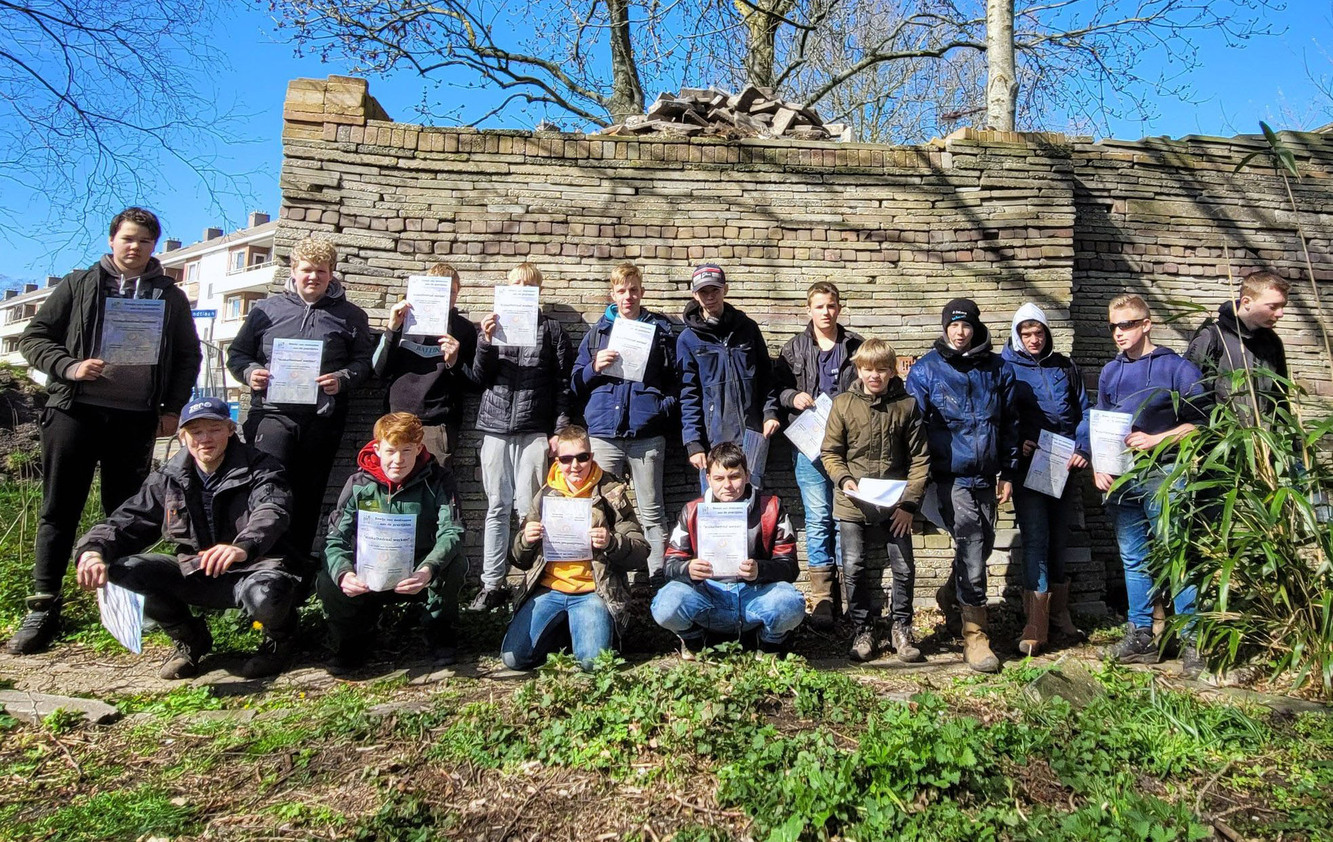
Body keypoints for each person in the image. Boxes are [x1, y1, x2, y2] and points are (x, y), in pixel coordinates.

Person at [9, 207, 202, 655]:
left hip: (136, 420)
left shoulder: (169, 297)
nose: (135, 248)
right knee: (60, 510)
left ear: (155, 247)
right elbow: (34, 338)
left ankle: (123, 601)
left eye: (145, 242)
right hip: (75, 413)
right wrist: (70, 367)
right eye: (128, 239)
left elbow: (188, 357)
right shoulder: (79, 284)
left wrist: (172, 408)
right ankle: (43, 605)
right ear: (113, 239)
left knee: (125, 513)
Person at [72, 396, 298, 679]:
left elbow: (273, 511)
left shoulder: (263, 467)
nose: (205, 439)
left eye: (214, 429)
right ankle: (191, 639)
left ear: (230, 429)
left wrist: (243, 546)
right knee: (124, 573)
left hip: (252, 570)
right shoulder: (168, 477)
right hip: (195, 570)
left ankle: (280, 638)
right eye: (196, 431)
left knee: (269, 595)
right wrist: (93, 550)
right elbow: (128, 520)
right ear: (182, 437)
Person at [226, 237, 375, 577]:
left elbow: (365, 362)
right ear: (293, 271)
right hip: (271, 415)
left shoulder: (351, 316)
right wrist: (251, 373)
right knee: (267, 486)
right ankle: (258, 562)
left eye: (321, 271)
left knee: (309, 492)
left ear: (331, 274)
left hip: (322, 418)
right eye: (306, 270)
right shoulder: (267, 310)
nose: (313, 277)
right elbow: (237, 355)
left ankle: (294, 567)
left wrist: (343, 378)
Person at [1094, 294, 1210, 673]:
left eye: (1126, 324)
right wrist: (1099, 463)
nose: (1118, 333)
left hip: (1167, 476)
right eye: (1113, 326)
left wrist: (1157, 440)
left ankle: (1193, 640)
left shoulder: (1176, 369)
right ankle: (1141, 636)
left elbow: (1204, 423)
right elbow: (1102, 422)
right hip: (1123, 479)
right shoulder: (1111, 372)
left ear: (1147, 324)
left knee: (1177, 554)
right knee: (1133, 558)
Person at [904, 298, 1018, 673]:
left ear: (975, 328)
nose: (959, 332)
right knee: (970, 540)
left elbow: (1010, 424)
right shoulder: (926, 370)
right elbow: (912, 427)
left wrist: (1009, 471)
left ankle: (950, 593)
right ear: (944, 328)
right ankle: (975, 637)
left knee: (983, 543)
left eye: (966, 325)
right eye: (953, 326)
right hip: (948, 475)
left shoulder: (997, 369)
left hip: (986, 474)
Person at [318, 412, 466, 673]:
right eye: (390, 451)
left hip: (416, 572)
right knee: (328, 579)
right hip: (368, 573)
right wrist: (344, 573)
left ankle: (440, 631)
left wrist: (428, 568)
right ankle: (350, 641)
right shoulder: (358, 483)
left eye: (407, 451)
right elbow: (335, 537)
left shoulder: (439, 480)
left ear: (419, 448)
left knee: (453, 565)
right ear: (377, 448)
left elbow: (451, 531)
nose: (398, 460)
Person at [469, 262, 576, 611]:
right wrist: (485, 342)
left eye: (529, 286)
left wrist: (559, 430)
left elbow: (563, 385)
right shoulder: (492, 328)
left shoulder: (553, 331)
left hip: (534, 429)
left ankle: (529, 584)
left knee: (530, 511)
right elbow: (477, 379)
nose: (521, 291)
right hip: (495, 428)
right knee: (496, 507)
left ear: (538, 292)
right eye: (515, 285)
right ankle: (492, 584)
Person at [501, 425, 649, 670]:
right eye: (566, 459)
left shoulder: (611, 493)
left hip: (593, 591)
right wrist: (526, 540)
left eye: (582, 457)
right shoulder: (545, 495)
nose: (575, 466)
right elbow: (518, 559)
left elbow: (640, 550)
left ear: (591, 457)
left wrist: (611, 542)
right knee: (513, 659)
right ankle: (564, 633)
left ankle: (585, 633)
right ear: (557, 461)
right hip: (549, 590)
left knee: (594, 664)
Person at [822, 339, 929, 662]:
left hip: (895, 506)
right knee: (853, 566)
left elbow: (920, 459)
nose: (875, 376)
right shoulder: (842, 404)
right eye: (868, 369)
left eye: (882, 370)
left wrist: (909, 504)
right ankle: (863, 629)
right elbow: (830, 452)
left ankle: (901, 628)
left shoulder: (907, 406)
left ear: (892, 371)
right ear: (859, 370)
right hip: (852, 503)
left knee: (904, 567)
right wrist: (844, 479)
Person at [571, 263, 677, 584]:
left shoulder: (661, 332)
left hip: (647, 435)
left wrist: (659, 409)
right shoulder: (597, 333)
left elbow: (678, 383)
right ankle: (612, 582)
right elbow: (574, 383)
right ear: (612, 294)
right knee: (604, 511)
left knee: (652, 511)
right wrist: (593, 367)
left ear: (642, 292)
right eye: (621, 290)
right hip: (604, 435)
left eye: (633, 290)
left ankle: (656, 582)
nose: (628, 296)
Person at [651, 442, 806, 658]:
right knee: (665, 603)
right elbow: (669, 565)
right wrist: (688, 569)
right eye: (719, 478)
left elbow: (790, 567)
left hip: (755, 595)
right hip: (709, 595)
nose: (728, 486)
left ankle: (770, 642)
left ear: (747, 475)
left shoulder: (771, 507)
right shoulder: (692, 510)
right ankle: (695, 641)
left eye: (734, 476)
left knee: (790, 602)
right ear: (708, 480)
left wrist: (759, 570)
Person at [1001, 303, 1092, 657]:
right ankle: (1035, 621)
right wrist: (1019, 439)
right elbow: (1002, 414)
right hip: (1030, 466)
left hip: (1065, 462)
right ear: (1016, 335)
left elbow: (1084, 410)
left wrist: (1082, 446)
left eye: (1038, 332)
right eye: (1026, 333)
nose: (1034, 339)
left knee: (1059, 537)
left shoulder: (1064, 366)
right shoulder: (1006, 367)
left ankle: (1059, 614)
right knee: (1036, 537)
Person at [774, 281, 863, 630]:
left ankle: (853, 596)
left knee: (847, 518)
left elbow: (872, 383)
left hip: (848, 448)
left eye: (831, 305)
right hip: (808, 447)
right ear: (808, 310)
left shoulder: (856, 346)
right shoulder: (793, 349)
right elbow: (776, 389)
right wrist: (792, 398)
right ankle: (823, 599)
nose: (825, 312)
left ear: (839, 308)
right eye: (819, 306)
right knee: (818, 518)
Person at [675, 263, 781, 478]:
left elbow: (766, 377)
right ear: (695, 295)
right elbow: (688, 395)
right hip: (713, 439)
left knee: (753, 495)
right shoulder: (688, 339)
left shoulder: (748, 328)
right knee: (718, 501)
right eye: (703, 291)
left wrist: (770, 412)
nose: (710, 296)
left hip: (753, 434)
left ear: (726, 289)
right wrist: (694, 443)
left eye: (715, 290)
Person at [372, 262, 480, 467]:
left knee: (434, 488)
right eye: (439, 290)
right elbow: (379, 369)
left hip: (438, 423)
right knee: (396, 484)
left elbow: (475, 383)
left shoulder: (463, 329)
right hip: (398, 418)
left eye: (452, 292)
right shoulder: (403, 322)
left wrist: (454, 362)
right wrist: (392, 328)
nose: (446, 298)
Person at [1184, 269, 1290, 424]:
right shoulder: (1213, 337)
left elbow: (1280, 398)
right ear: (1246, 302)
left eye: (1283, 306)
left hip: (1263, 442)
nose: (1280, 313)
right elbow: (1189, 393)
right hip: (1221, 439)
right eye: (1273, 306)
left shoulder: (1272, 342)